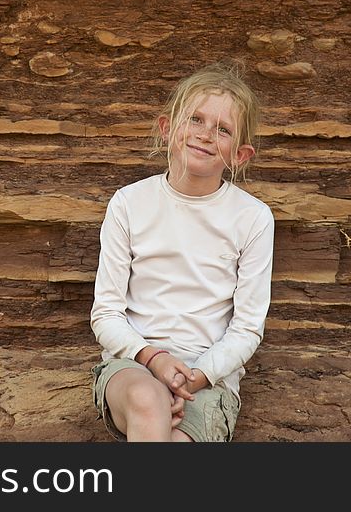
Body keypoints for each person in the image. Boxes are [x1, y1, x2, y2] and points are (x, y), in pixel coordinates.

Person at [90, 60, 275, 442]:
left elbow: (247, 328)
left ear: (240, 155)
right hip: (134, 365)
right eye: (195, 120)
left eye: (222, 130)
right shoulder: (129, 203)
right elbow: (105, 314)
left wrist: (195, 376)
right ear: (167, 127)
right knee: (146, 400)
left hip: (207, 378)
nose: (206, 135)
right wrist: (154, 360)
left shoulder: (253, 218)